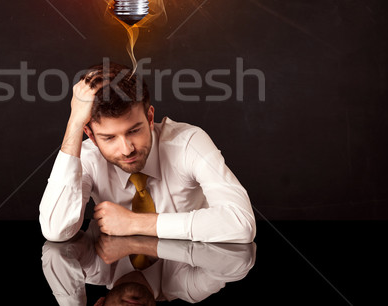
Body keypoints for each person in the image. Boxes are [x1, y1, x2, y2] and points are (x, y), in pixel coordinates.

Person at [39, 60, 256, 243]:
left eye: (134, 130)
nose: (126, 149)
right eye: (109, 137)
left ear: (150, 118)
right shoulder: (87, 157)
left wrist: (134, 223)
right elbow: (56, 230)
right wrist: (74, 123)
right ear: (90, 134)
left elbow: (241, 223)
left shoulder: (188, 143)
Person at [41, 220, 256, 305]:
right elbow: (238, 262)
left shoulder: (93, 267)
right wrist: (146, 246)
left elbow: (55, 253)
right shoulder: (188, 287)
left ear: (98, 305)